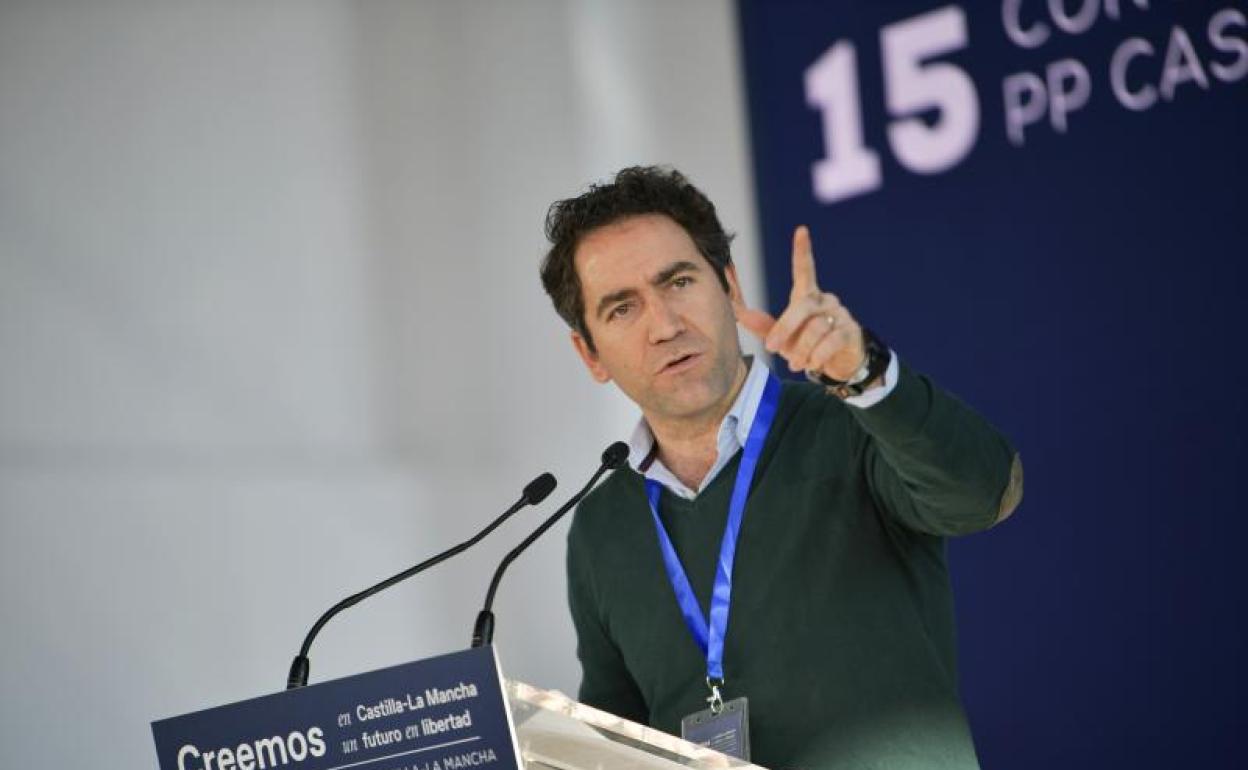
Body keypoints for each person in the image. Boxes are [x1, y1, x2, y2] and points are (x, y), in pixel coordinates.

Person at [539, 166, 1022, 770]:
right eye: (622, 309)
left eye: (679, 282)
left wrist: (865, 376)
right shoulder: (601, 526)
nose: (664, 325)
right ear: (590, 353)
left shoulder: (853, 423)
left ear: (730, 286)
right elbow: (618, 744)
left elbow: (985, 493)